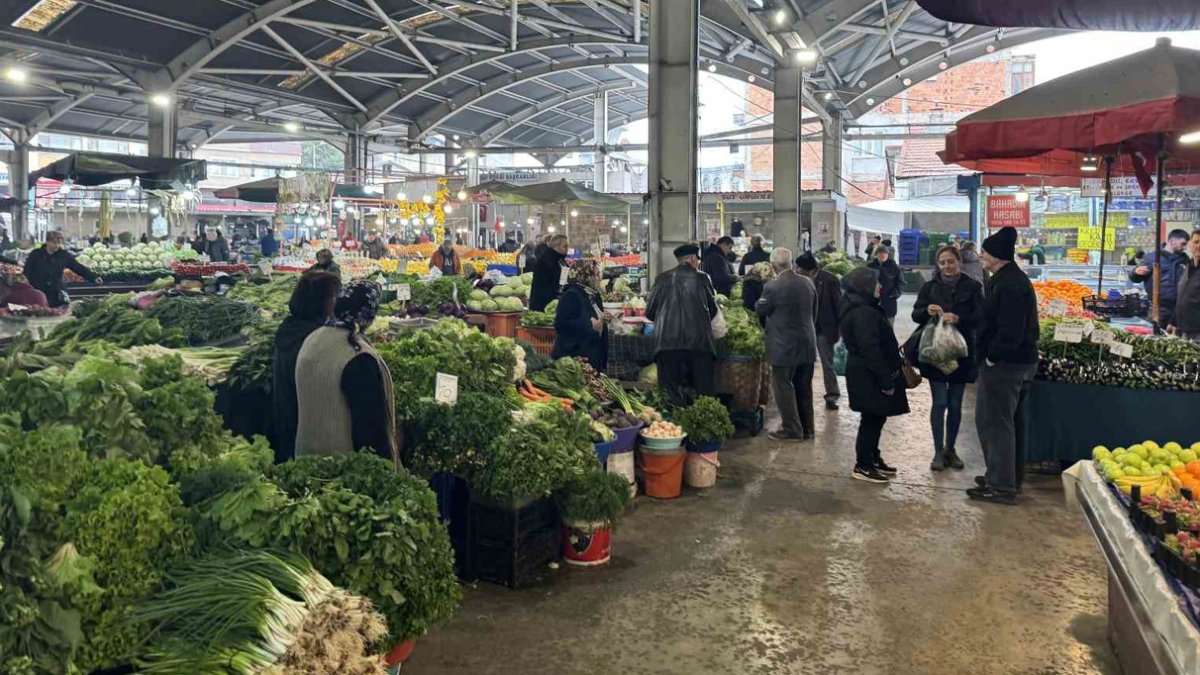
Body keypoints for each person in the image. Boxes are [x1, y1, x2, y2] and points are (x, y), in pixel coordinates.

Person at [969, 226, 1040, 505]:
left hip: (1006, 365)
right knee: (1012, 424)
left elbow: (1010, 330)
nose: (981, 256)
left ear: (997, 255)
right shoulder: (1008, 279)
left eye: (984, 252)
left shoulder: (1009, 284)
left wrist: (992, 356)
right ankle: (1007, 477)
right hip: (1021, 363)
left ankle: (1000, 486)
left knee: (994, 423)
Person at [294, 280, 399, 466]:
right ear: (368, 314)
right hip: (341, 467)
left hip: (306, 455)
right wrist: (383, 466)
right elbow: (369, 429)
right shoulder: (356, 356)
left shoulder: (313, 338)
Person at [912, 245, 984, 472]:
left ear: (959, 262)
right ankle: (938, 451)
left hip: (961, 353)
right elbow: (916, 314)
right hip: (935, 353)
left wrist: (959, 318)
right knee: (940, 402)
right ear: (938, 265)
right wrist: (927, 312)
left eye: (950, 261)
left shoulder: (972, 287)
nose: (947, 266)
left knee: (955, 404)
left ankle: (951, 449)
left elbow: (981, 317)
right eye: (942, 263)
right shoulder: (929, 287)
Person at [840, 266, 908, 483]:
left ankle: (872, 456)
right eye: (876, 283)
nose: (880, 286)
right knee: (871, 418)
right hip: (867, 374)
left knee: (877, 417)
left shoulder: (865, 307)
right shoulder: (862, 312)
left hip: (867, 372)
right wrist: (885, 379)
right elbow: (871, 348)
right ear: (865, 286)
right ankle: (863, 464)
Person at [271, 271, 342, 464]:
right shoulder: (316, 337)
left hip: (287, 419)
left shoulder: (290, 326)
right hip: (308, 431)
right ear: (321, 302)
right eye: (335, 297)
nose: (338, 302)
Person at [646, 244, 720, 406]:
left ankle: (672, 428)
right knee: (703, 396)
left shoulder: (661, 278)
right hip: (699, 344)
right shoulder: (703, 278)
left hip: (667, 344)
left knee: (669, 396)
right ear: (693, 258)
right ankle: (701, 429)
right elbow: (713, 310)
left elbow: (649, 312)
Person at [757, 248, 818, 441]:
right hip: (807, 342)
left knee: (783, 386)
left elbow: (761, 308)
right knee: (804, 386)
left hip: (784, 347)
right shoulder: (808, 283)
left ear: (773, 265)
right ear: (791, 262)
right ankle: (808, 429)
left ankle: (791, 429)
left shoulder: (772, 287)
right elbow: (813, 312)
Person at [797, 252, 842, 410]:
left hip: (824, 328)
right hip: (806, 327)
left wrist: (838, 330)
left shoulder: (830, 280)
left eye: (799, 268)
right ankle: (802, 395)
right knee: (804, 363)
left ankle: (832, 394)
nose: (796, 270)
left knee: (826, 363)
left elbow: (838, 305)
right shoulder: (800, 281)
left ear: (808, 269)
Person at [551, 259, 608, 370]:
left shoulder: (593, 295)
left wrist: (604, 319)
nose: (599, 279)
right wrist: (589, 325)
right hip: (574, 360)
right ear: (585, 276)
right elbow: (561, 324)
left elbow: (595, 316)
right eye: (595, 275)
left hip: (590, 357)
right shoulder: (571, 295)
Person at [22, 231, 102, 307]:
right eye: (54, 243)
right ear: (47, 242)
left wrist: (93, 277)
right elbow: (27, 271)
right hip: (38, 291)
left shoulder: (63, 255)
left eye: (59, 243)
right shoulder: (35, 254)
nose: (57, 245)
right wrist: (26, 287)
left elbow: (78, 267)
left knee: (56, 314)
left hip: (56, 293)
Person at [1131, 229, 1190, 328]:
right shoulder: (1152, 258)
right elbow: (1135, 278)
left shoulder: (1185, 259)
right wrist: (1136, 272)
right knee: (1156, 337)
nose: (1184, 247)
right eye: (1183, 244)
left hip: (1179, 309)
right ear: (1172, 241)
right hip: (1158, 308)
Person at [529, 234, 569, 311]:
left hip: (553, 302)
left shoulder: (559, 259)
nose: (567, 249)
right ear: (556, 246)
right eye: (565, 246)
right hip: (544, 305)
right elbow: (545, 286)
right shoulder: (547, 260)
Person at [1175, 230, 1200, 342]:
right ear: (1190, 244)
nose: (1199, 246)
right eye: (1196, 242)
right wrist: (1173, 321)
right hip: (1185, 330)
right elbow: (1183, 296)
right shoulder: (1188, 266)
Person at [867, 246, 902, 324]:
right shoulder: (870, 266)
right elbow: (864, 282)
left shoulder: (894, 267)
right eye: (880, 253)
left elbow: (899, 282)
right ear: (876, 255)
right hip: (873, 301)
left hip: (889, 300)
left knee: (888, 327)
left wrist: (895, 293)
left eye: (884, 253)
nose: (882, 255)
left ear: (888, 254)